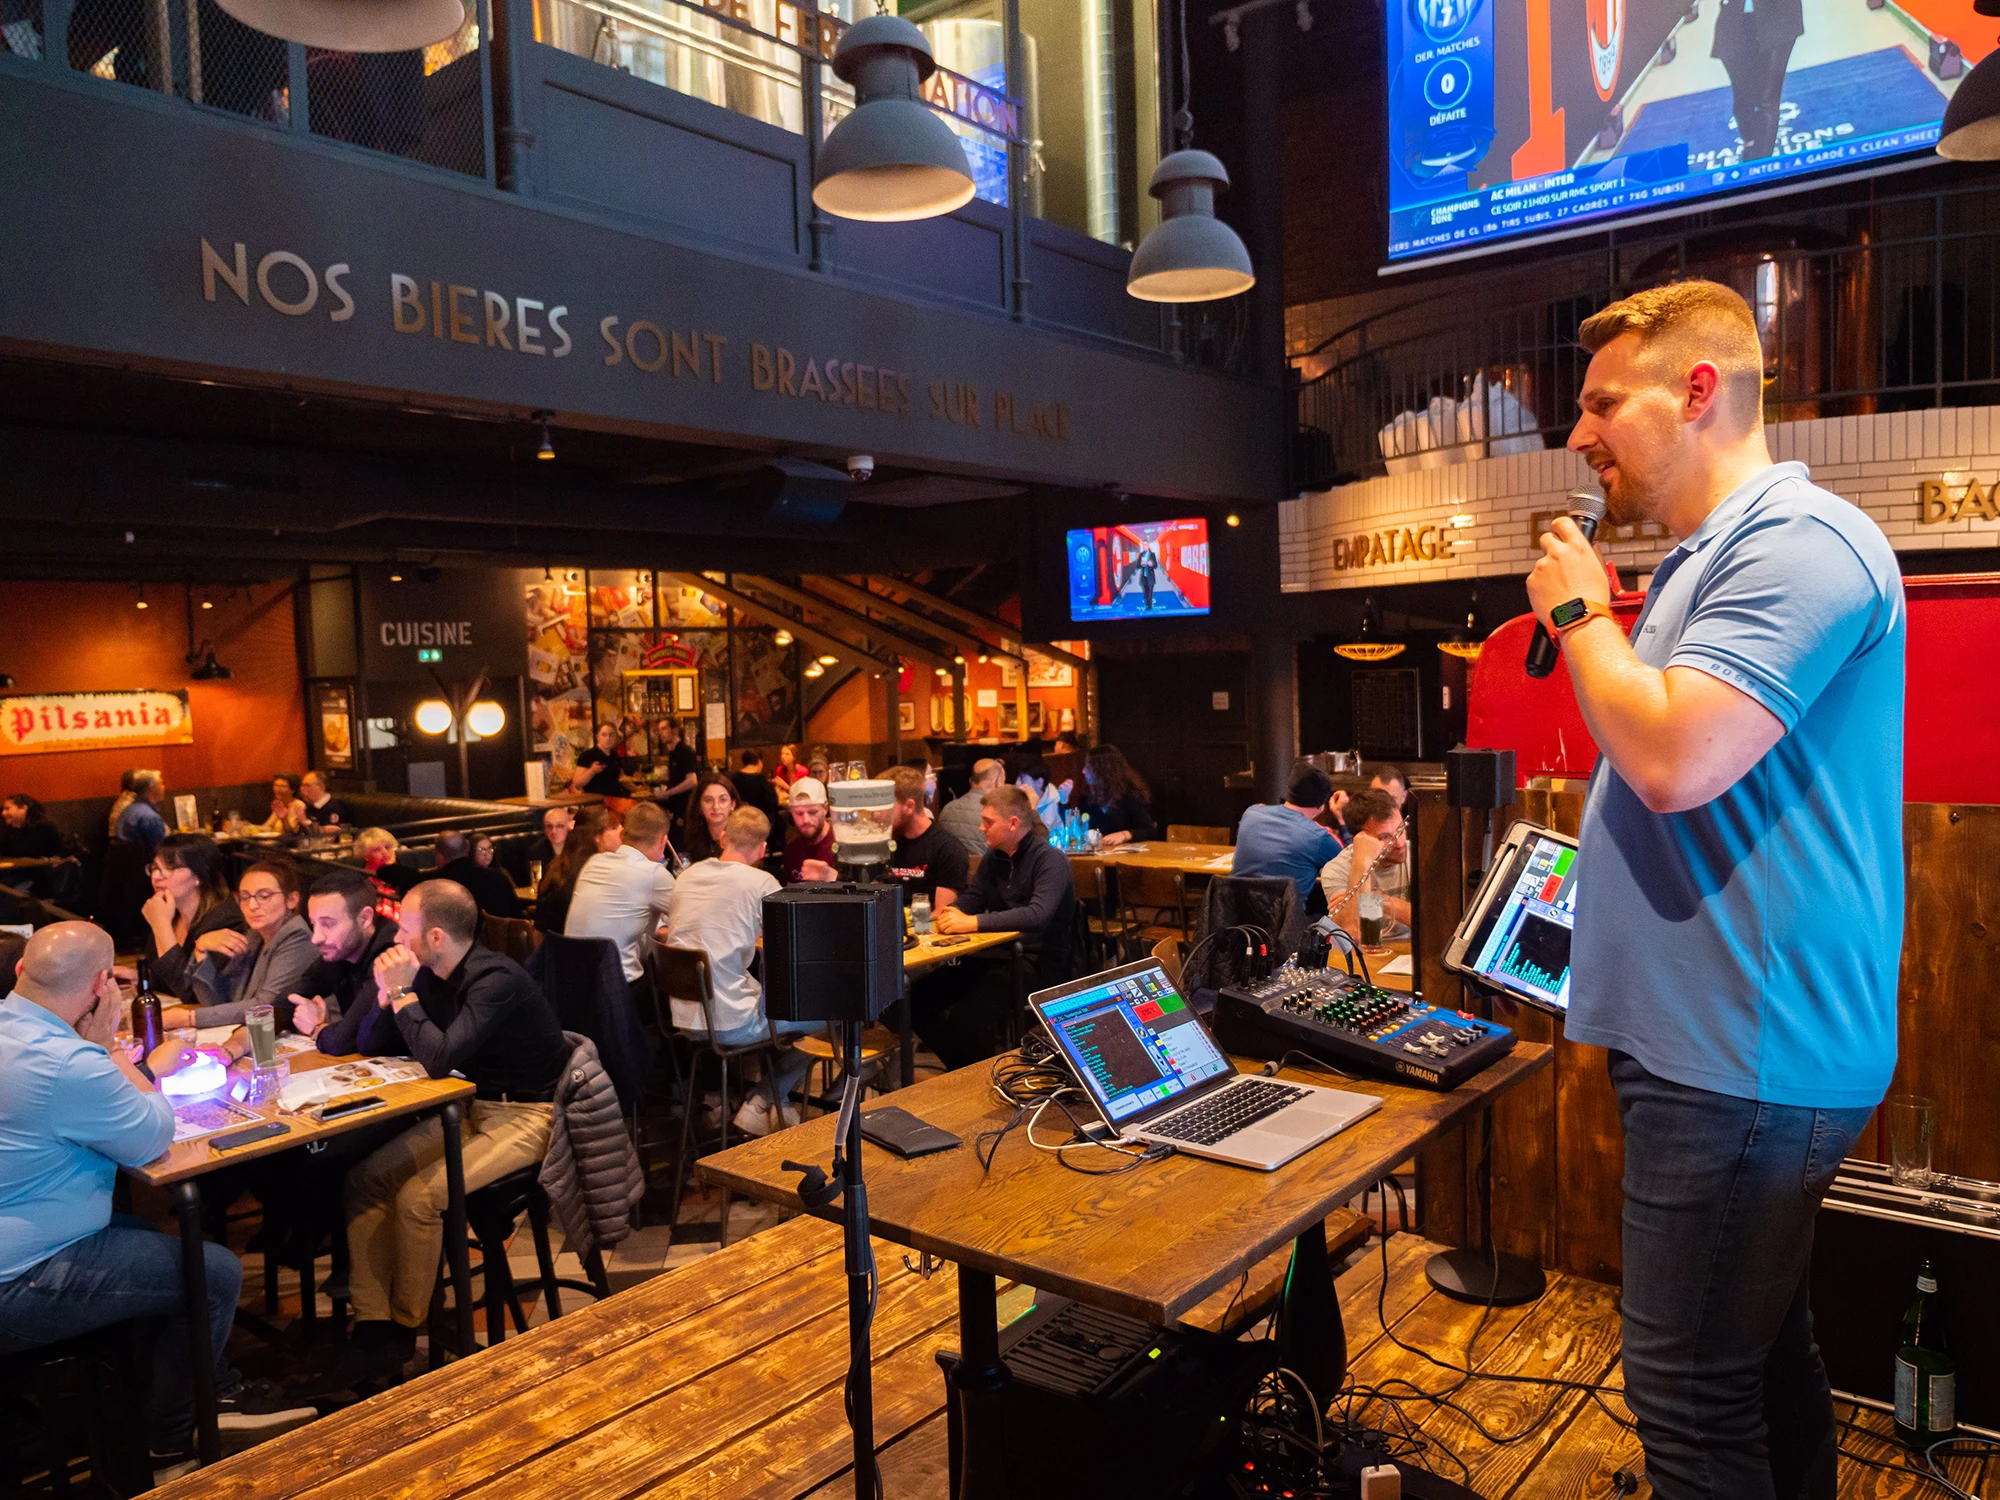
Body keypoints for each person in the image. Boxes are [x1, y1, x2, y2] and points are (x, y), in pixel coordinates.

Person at [1530, 280, 1904, 1499]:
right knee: (1756, 1366)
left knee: (1685, 1395)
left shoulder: (1803, 544)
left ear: (1698, 392)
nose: (1575, 435)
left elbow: (1673, 757)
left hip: (1744, 1056)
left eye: (1599, 404)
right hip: (1716, 1052)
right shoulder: (1711, 561)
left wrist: (1579, 611)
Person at [0, 923, 312, 1465]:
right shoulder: (67, 1062)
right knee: (214, 1272)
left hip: (23, 1230)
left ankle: (209, 1392)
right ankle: (172, 1442)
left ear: (21, 970)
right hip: (19, 1280)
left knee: (153, 1236)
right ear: (104, 987)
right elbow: (153, 1134)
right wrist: (108, 1051)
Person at [331, 880, 570, 1387]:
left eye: (406, 927)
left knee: (418, 1199)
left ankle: (405, 1329)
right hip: (471, 1108)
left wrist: (400, 992)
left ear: (435, 937)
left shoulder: (494, 980)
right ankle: (373, 1326)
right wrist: (385, 997)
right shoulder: (431, 974)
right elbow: (374, 1043)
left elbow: (438, 1059)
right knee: (365, 1179)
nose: (397, 935)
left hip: (531, 1116)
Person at [663, 807, 813, 1136]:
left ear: (722, 838)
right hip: (730, 1023)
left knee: (766, 999)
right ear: (762, 849)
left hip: (685, 1019)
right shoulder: (761, 882)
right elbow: (793, 949)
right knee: (835, 1012)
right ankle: (763, 1100)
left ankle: (774, 1102)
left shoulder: (685, 876)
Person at [928, 785, 1077, 1066]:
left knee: (964, 1020)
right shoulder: (994, 857)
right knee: (915, 1001)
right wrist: (953, 912)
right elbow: (974, 896)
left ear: (1013, 823)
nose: (981, 828)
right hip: (994, 956)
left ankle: (980, 1075)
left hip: (1036, 962)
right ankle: (962, 1069)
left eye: (988, 821)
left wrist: (973, 922)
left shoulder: (1050, 860)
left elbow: (1036, 915)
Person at [164, 859, 318, 1030]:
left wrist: (190, 1018)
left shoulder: (297, 937)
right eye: (245, 897)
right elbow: (217, 1002)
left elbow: (265, 1007)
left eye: (264, 896)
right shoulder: (254, 935)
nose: (252, 906)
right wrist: (201, 949)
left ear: (291, 900)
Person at [565, 801, 676, 1001]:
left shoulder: (593, 862)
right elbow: (695, 918)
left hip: (572, 988)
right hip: (619, 992)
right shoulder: (653, 874)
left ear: (622, 834)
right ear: (662, 841)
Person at [287, 868, 403, 1055]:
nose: (316, 938)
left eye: (328, 924)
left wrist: (318, 1029)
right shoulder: (341, 950)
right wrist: (240, 1040)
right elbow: (290, 996)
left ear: (365, 918)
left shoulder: (391, 954)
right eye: (313, 923)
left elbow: (343, 1040)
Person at [131, 833, 244, 999]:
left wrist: (161, 925)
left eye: (169, 868)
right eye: (155, 868)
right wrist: (139, 976)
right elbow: (165, 974)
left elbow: (190, 992)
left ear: (199, 876)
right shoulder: (170, 912)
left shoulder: (225, 920)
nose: (155, 877)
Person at [1234, 766, 1349, 904]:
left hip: (1234, 917)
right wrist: (1342, 817)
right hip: (1286, 922)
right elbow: (1349, 866)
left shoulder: (1251, 813)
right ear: (1322, 806)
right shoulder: (1319, 838)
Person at [1318, 789, 1410, 943]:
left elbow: (1434, 918)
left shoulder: (1418, 855)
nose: (1400, 844)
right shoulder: (1336, 869)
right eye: (1384, 837)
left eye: (1401, 829)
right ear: (1358, 839)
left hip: (1410, 955)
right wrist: (1362, 864)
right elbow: (1354, 934)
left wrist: (1377, 899)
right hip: (1366, 955)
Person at [1711, 0, 1799, 160]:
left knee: (1768, 98)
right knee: (1743, 97)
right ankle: (1750, 145)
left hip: (1779, 18)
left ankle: (1761, 167)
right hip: (1735, 19)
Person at [880, 765, 967, 907]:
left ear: (909, 806)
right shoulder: (883, 843)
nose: (878, 813)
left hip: (925, 925)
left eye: (885, 806)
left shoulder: (948, 848)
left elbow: (942, 914)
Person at [534, 805, 619, 935]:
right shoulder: (598, 871)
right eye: (614, 828)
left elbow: (539, 930)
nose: (622, 830)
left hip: (553, 949)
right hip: (583, 950)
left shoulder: (556, 865)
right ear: (597, 836)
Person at [414, 829, 522, 919]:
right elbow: (517, 915)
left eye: (490, 849)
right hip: (502, 942)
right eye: (481, 850)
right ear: (468, 849)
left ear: (439, 855)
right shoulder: (499, 878)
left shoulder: (436, 882)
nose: (487, 854)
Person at [1072, 744, 1155, 846]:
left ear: (1103, 770)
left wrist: (1125, 834)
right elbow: (1076, 828)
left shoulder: (1130, 795)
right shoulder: (1088, 796)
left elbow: (1149, 831)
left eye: (1088, 766)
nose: (1083, 771)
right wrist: (1063, 801)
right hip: (1098, 856)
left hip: (1127, 857)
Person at [938, 758, 1002, 860]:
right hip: (985, 873)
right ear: (997, 783)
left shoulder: (947, 809)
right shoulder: (996, 813)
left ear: (970, 781)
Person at [779, 776, 835, 883]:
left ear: (825, 809)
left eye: (812, 812)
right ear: (791, 811)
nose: (805, 820)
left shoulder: (843, 845)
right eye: (799, 813)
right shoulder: (791, 851)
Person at [682, 772, 739, 864]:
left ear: (732, 804)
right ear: (699, 806)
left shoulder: (742, 838)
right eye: (708, 800)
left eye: (723, 800)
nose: (716, 807)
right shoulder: (691, 836)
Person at [654, 720, 701, 831]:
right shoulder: (673, 753)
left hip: (685, 805)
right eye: (659, 729)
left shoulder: (685, 751)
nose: (660, 733)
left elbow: (692, 781)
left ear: (675, 730)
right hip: (677, 805)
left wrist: (667, 793)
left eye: (664, 728)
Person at [354, 826, 416, 904]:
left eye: (387, 847)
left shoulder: (404, 867)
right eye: (377, 849)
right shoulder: (360, 876)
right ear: (366, 856)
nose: (385, 852)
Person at [1008, 752, 1069, 831]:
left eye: (1022, 779)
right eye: (1017, 778)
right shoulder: (1016, 797)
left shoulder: (1056, 802)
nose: (1017, 783)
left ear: (1040, 782)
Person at [571, 723, 631, 798]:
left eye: (611, 735)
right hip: (596, 800)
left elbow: (622, 778)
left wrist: (638, 790)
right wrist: (592, 771)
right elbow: (577, 784)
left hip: (616, 797)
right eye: (604, 735)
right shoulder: (588, 755)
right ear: (597, 737)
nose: (608, 738)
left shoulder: (614, 755)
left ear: (615, 737)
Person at [116, 769, 169, 854]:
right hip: (144, 864)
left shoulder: (128, 809)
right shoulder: (149, 817)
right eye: (161, 783)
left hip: (127, 864)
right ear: (152, 788)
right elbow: (160, 849)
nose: (164, 787)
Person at [0, 794, 61, 860]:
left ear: (23, 808)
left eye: (7, 808)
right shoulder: (9, 832)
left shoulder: (45, 829)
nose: (3, 813)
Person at [731, 749, 783, 825]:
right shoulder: (760, 778)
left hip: (739, 821)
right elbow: (773, 803)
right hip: (760, 822)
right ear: (759, 762)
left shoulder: (734, 777)